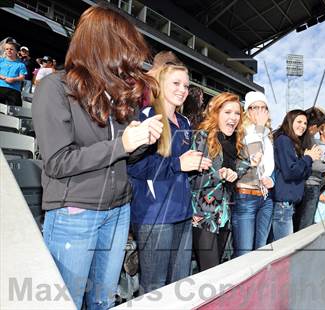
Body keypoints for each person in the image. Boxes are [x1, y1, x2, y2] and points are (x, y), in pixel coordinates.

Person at [32, 6, 163, 309]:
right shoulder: (54, 87)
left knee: (103, 301)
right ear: (103, 45)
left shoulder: (115, 95)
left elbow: (122, 157)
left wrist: (142, 140)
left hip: (118, 211)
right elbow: (58, 161)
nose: (131, 59)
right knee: (68, 301)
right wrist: (123, 144)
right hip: (74, 213)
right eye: (125, 48)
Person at [128, 63, 212, 293]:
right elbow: (136, 166)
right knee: (155, 289)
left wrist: (196, 163)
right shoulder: (147, 115)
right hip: (155, 214)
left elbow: (182, 163)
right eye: (176, 83)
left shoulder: (184, 122)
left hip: (182, 212)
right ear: (160, 85)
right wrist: (178, 164)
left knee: (180, 285)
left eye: (186, 85)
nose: (182, 89)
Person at [190, 92, 257, 271]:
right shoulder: (202, 137)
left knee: (216, 270)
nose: (233, 118)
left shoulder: (235, 142)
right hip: (204, 217)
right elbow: (193, 179)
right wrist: (221, 174)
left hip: (224, 215)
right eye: (228, 112)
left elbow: (239, 169)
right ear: (216, 113)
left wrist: (242, 166)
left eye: (237, 113)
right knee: (209, 272)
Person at [232, 91, 274, 257]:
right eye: (255, 107)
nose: (259, 111)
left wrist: (271, 179)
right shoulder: (243, 131)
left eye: (263, 108)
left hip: (265, 197)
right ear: (247, 111)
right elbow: (255, 155)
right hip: (246, 196)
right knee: (244, 252)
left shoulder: (266, 133)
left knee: (261, 250)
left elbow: (269, 164)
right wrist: (260, 128)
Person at [271, 110, 321, 240]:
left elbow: (304, 174)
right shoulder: (284, 140)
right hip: (283, 203)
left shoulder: (294, 143)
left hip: (289, 204)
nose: (303, 126)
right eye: (299, 121)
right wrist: (308, 158)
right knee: (284, 249)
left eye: (305, 123)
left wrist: (307, 159)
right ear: (290, 122)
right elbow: (291, 172)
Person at [295, 108, 325, 231]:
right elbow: (313, 164)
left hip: (309, 184)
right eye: (322, 128)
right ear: (314, 127)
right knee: (306, 224)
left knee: (304, 221)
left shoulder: (307, 139)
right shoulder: (308, 140)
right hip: (310, 185)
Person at [0, 40, 27, 106]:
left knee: (15, 111)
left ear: (16, 52)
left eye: (11, 49)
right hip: (1, 87)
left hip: (14, 90)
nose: (9, 50)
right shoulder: (1, 61)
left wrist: (13, 79)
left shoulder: (21, 65)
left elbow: (22, 77)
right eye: (7, 49)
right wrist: (4, 77)